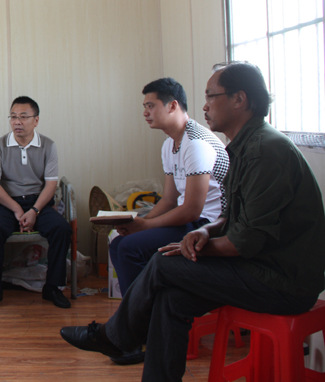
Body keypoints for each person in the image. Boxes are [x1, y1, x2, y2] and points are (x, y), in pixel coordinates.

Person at [60, 62, 325, 382]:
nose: (205, 106)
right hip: (256, 266)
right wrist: (206, 231)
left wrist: (193, 245)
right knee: (170, 299)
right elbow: (230, 217)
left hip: (282, 281)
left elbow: (245, 240)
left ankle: (115, 337)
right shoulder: (242, 147)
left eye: (212, 96)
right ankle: (128, 346)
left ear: (239, 99)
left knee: (164, 262)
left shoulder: (264, 151)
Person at [111, 78, 229, 294]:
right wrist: (140, 222)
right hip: (190, 219)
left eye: (151, 106)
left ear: (173, 105)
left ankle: (141, 310)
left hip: (209, 224)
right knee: (118, 243)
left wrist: (145, 226)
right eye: (145, 106)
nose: (145, 113)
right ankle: (139, 308)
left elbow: (192, 209)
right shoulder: (169, 144)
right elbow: (169, 199)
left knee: (129, 248)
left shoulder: (196, 143)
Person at [0, 96, 72, 311]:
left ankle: (53, 287)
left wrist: (34, 210)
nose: (17, 122)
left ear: (36, 120)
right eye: (13, 117)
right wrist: (16, 209)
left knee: (62, 229)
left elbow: (51, 185)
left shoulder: (48, 145)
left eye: (23, 117)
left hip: (38, 202)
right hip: (7, 204)